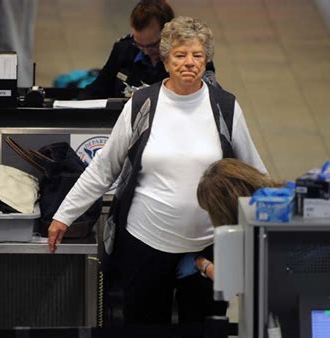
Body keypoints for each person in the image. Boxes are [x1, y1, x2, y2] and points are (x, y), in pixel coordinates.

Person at [48, 16, 265, 325]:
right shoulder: (141, 104)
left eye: (197, 55)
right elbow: (104, 167)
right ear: (165, 60)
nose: (189, 62)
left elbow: (253, 173)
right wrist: (64, 215)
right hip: (145, 243)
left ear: (207, 60)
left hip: (207, 246)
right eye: (180, 55)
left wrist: (275, 225)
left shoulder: (225, 108)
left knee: (203, 328)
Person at [77, 0, 217, 100]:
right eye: (139, 44)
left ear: (168, 33)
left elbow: (208, 99)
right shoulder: (124, 50)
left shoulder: (192, 61)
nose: (145, 51)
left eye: (152, 45)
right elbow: (97, 89)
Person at [176, 158, 284, 281]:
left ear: (224, 211)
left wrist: (202, 264)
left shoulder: (254, 236)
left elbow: (237, 281)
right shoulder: (287, 193)